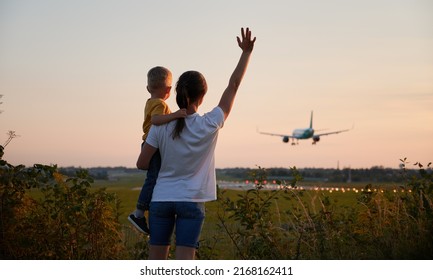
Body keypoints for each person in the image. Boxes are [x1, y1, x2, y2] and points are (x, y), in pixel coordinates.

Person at [136, 27, 256, 259]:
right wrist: (246, 53)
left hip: (161, 199)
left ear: (178, 94)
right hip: (192, 201)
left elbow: (142, 164)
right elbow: (233, 86)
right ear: (203, 96)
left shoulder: (160, 125)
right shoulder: (210, 123)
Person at [128, 66, 187, 234]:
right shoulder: (160, 104)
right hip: (151, 145)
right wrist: (175, 115)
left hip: (149, 144)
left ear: (148, 88)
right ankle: (139, 212)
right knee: (153, 177)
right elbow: (156, 120)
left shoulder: (150, 102)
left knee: (155, 176)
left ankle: (147, 208)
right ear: (169, 90)